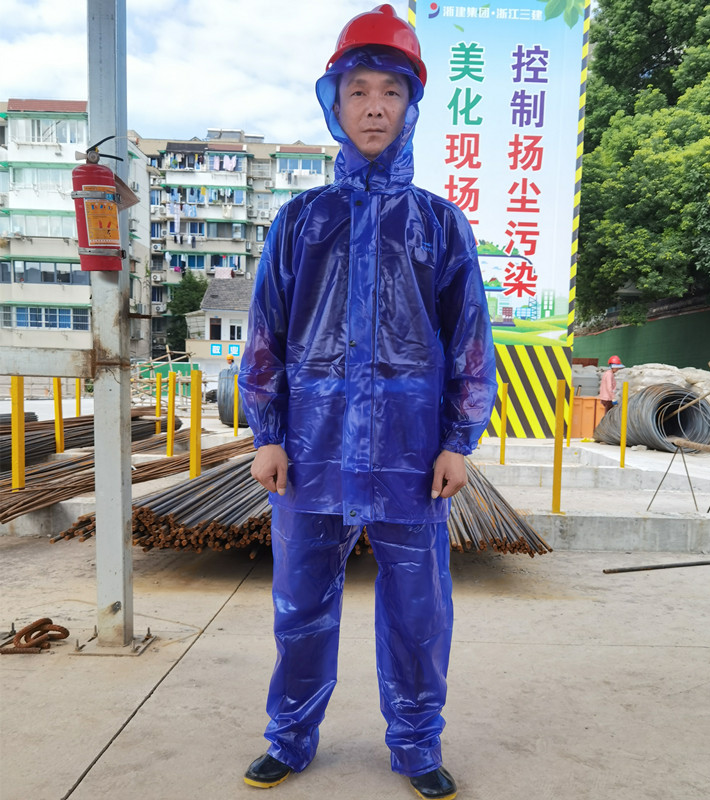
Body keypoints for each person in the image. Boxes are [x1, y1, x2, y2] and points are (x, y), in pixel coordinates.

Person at [237, 6, 497, 799]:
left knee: (418, 611)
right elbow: (268, 333)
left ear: (412, 104)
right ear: (335, 105)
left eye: (391, 90)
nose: (375, 106)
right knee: (299, 606)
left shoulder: (440, 226)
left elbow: (470, 340)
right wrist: (269, 431)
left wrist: (458, 439)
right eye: (359, 90)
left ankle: (417, 745)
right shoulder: (299, 222)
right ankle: (289, 735)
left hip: (412, 452)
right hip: (310, 447)